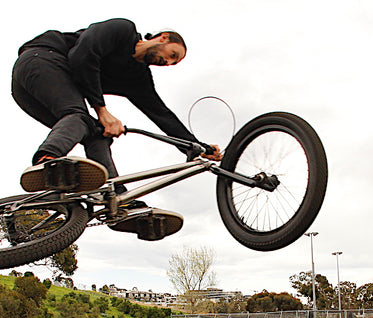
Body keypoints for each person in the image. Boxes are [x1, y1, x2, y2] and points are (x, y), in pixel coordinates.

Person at [12, 18, 220, 194]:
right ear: (163, 37)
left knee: (96, 133)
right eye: (172, 55)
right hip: (41, 60)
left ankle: (113, 196)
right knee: (80, 116)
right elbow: (82, 55)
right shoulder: (123, 31)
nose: (167, 63)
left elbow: (161, 114)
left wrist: (197, 146)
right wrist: (101, 110)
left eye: (172, 64)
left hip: (35, 93)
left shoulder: (137, 78)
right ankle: (47, 162)